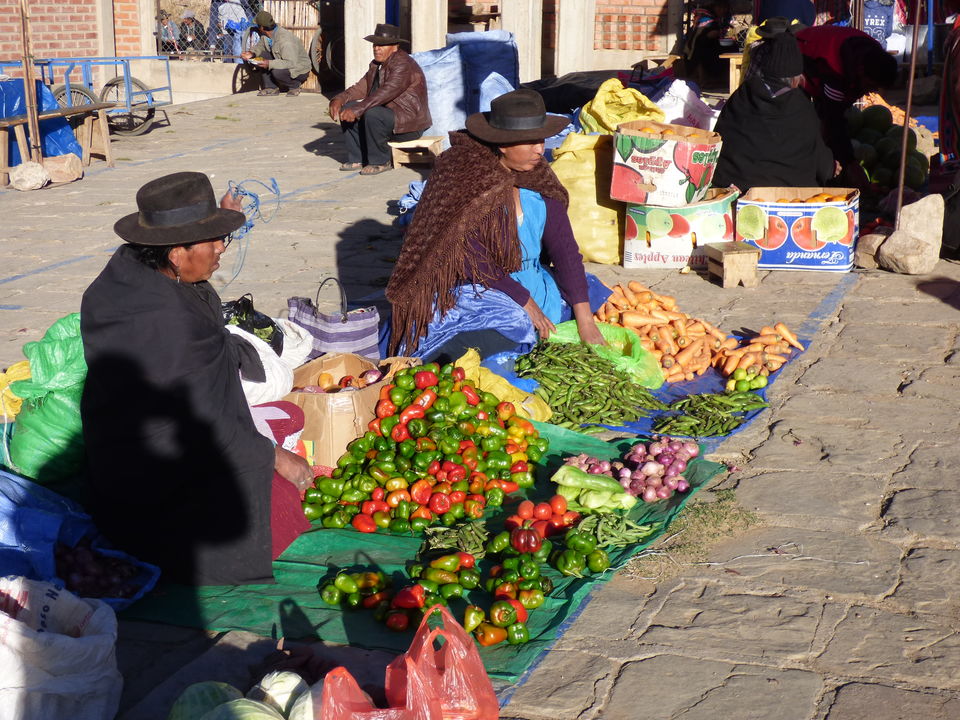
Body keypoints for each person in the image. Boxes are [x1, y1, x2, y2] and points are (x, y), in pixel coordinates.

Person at [80, 172, 313, 586]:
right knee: (282, 513)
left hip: (125, 457)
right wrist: (276, 459)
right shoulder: (167, 322)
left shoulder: (128, 270)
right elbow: (207, 426)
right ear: (175, 253)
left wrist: (218, 221)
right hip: (157, 477)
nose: (222, 248)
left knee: (287, 417)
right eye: (213, 241)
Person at [384, 89, 608, 362]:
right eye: (530, 142)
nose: (541, 149)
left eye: (541, 140)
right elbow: (463, 251)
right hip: (474, 285)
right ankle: (443, 359)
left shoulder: (539, 177)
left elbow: (565, 251)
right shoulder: (460, 174)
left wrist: (585, 320)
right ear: (503, 143)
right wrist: (522, 300)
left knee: (587, 291)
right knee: (505, 325)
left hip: (529, 279)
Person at [713, 28, 834, 191]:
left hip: (733, 189)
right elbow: (820, 164)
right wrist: (832, 166)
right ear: (796, 77)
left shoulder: (741, 95)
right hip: (788, 198)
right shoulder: (800, 105)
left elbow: (720, 141)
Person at [796, 25, 899, 189]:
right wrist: (850, 164)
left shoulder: (873, 55)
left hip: (826, 53)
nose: (869, 92)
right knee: (807, 125)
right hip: (801, 55)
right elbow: (833, 118)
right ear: (861, 72)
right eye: (870, 85)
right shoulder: (834, 70)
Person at [328, 23, 431, 175]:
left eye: (382, 45)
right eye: (375, 45)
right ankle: (358, 158)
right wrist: (339, 99)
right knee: (347, 108)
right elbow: (360, 88)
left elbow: (386, 92)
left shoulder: (403, 64)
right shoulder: (376, 65)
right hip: (387, 117)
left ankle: (381, 161)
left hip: (408, 122)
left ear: (394, 47)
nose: (377, 48)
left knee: (372, 113)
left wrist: (358, 109)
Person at [241, 10, 312, 96]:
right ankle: (271, 87)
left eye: (257, 25)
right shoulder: (266, 35)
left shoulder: (285, 40)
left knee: (277, 72)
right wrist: (252, 53)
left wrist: (269, 63)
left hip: (299, 69)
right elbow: (260, 46)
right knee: (260, 57)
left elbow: (291, 63)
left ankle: (294, 86)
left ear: (262, 27)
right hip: (284, 62)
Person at [683, 0, 733, 88]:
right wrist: (711, 35)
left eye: (725, 8)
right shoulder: (705, 19)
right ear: (714, 7)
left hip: (705, 46)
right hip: (696, 51)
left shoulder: (714, 18)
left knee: (731, 48)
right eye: (720, 8)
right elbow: (699, 38)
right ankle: (711, 81)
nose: (723, 11)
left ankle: (721, 80)